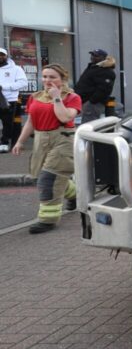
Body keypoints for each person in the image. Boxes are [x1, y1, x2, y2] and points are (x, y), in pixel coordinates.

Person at [12, 64, 80, 234]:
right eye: (45, 77)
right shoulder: (35, 97)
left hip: (62, 140)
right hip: (41, 140)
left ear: (62, 79)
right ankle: (75, 194)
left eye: (52, 77)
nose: (47, 80)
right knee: (49, 175)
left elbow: (65, 117)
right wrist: (20, 142)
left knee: (48, 179)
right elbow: (30, 122)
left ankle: (48, 220)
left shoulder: (72, 97)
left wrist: (56, 97)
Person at [75, 49, 117, 123]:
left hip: (93, 103)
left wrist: (91, 101)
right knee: (86, 123)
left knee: (88, 124)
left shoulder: (106, 70)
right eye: (92, 55)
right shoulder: (93, 67)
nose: (92, 57)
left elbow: (104, 90)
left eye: (96, 56)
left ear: (103, 58)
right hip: (85, 101)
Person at [0, 47, 28, 153]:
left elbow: (23, 83)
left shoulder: (16, 69)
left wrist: (4, 87)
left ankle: (4, 143)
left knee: (7, 123)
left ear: (6, 56)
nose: (0, 57)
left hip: (9, 100)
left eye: (2, 55)